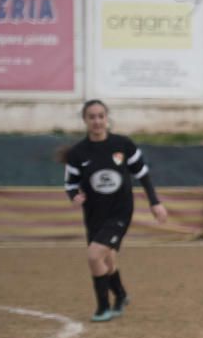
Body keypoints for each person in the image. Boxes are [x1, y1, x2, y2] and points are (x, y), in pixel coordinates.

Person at [62, 99, 168, 322]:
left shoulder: (123, 145)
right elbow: (70, 183)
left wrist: (154, 202)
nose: (97, 121)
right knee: (107, 259)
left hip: (120, 211)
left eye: (101, 116)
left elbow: (143, 175)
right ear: (85, 120)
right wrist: (74, 196)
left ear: (107, 118)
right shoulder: (77, 153)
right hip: (93, 214)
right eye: (92, 117)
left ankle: (103, 308)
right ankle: (120, 295)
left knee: (93, 256)